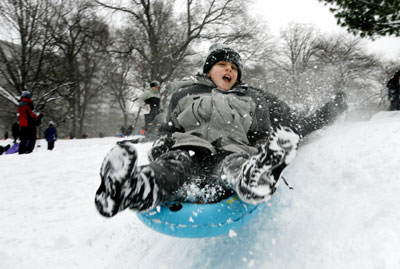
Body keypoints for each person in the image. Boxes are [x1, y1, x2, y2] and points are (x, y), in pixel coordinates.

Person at [94, 44, 347, 218]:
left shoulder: (254, 98)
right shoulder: (185, 93)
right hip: (187, 150)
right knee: (172, 166)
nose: (229, 70)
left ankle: (255, 177)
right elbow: (167, 128)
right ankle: (129, 189)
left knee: (233, 165)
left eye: (234, 68)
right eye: (223, 65)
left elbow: (293, 123)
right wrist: (160, 145)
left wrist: (329, 111)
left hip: (231, 151)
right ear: (207, 71)